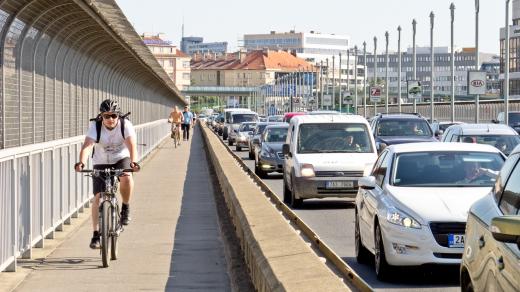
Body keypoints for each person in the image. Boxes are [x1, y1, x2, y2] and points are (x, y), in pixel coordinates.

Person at [74, 99, 140, 249]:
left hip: (121, 158)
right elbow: (87, 146)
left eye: (114, 116)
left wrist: (133, 162)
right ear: (101, 116)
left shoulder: (125, 125)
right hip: (101, 160)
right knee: (98, 197)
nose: (110, 119)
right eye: (106, 116)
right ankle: (96, 234)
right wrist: (81, 162)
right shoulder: (95, 126)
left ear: (118, 116)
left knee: (126, 177)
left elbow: (131, 145)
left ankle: (125, 207)